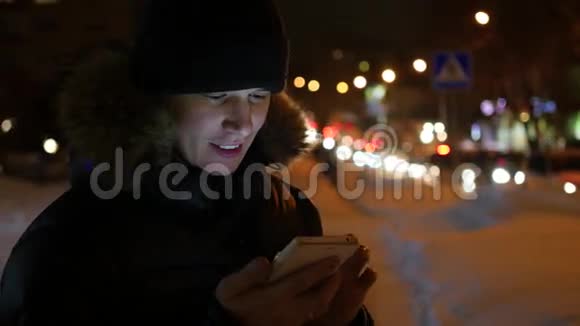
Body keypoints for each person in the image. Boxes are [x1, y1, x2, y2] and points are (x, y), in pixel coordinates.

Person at [0, 1, 376, 325]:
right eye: (216, 94)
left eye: (258, 95)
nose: (243, 121)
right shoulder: (72, 243)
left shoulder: (288, 213)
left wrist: (338, 322)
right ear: (160, 100)